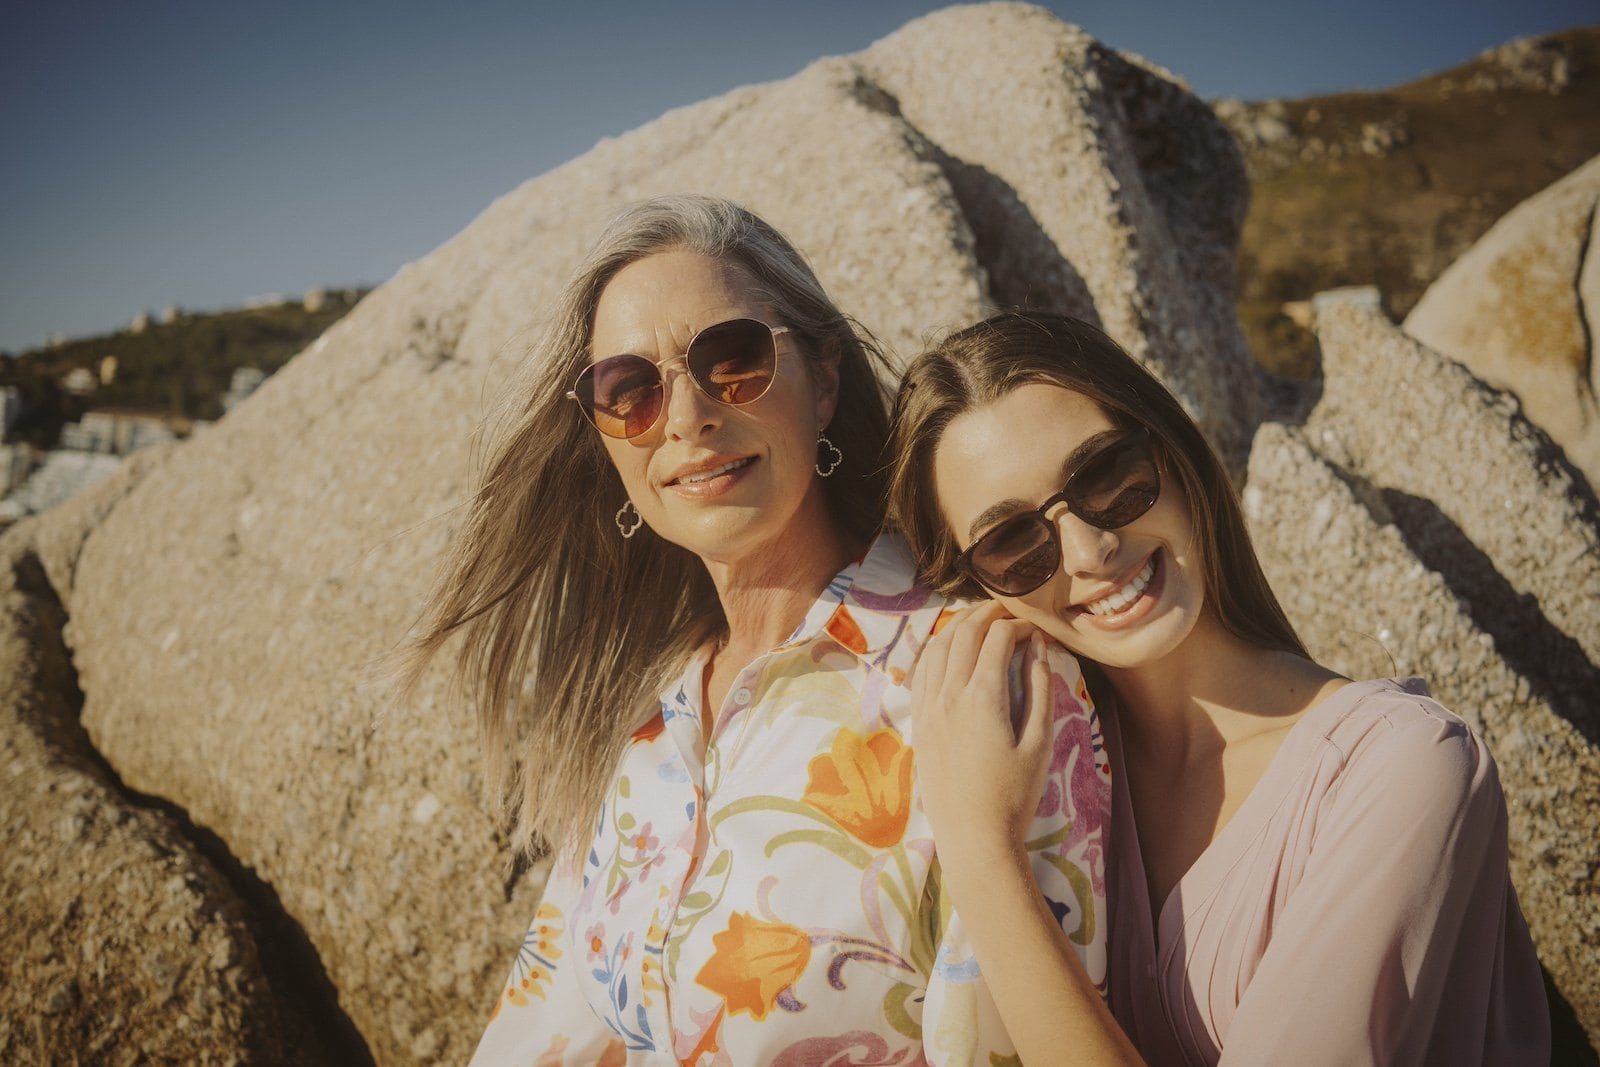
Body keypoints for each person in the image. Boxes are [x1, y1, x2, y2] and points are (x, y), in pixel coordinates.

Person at [394, 198, 1110, 1064]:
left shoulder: (979, 673)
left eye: (731, 360)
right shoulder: (643, 722)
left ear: (825, 381)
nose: (687, 414)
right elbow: (544, 1033)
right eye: (630, 390)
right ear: (606, 437)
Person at [887, 310, 1550, 1065]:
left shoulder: (1405, 767)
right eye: (1012, 542)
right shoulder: (1045, 786)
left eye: (1106, 476)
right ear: (980, 589)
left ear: (1171, 448)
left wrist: (982, 849)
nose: (1091, 548)